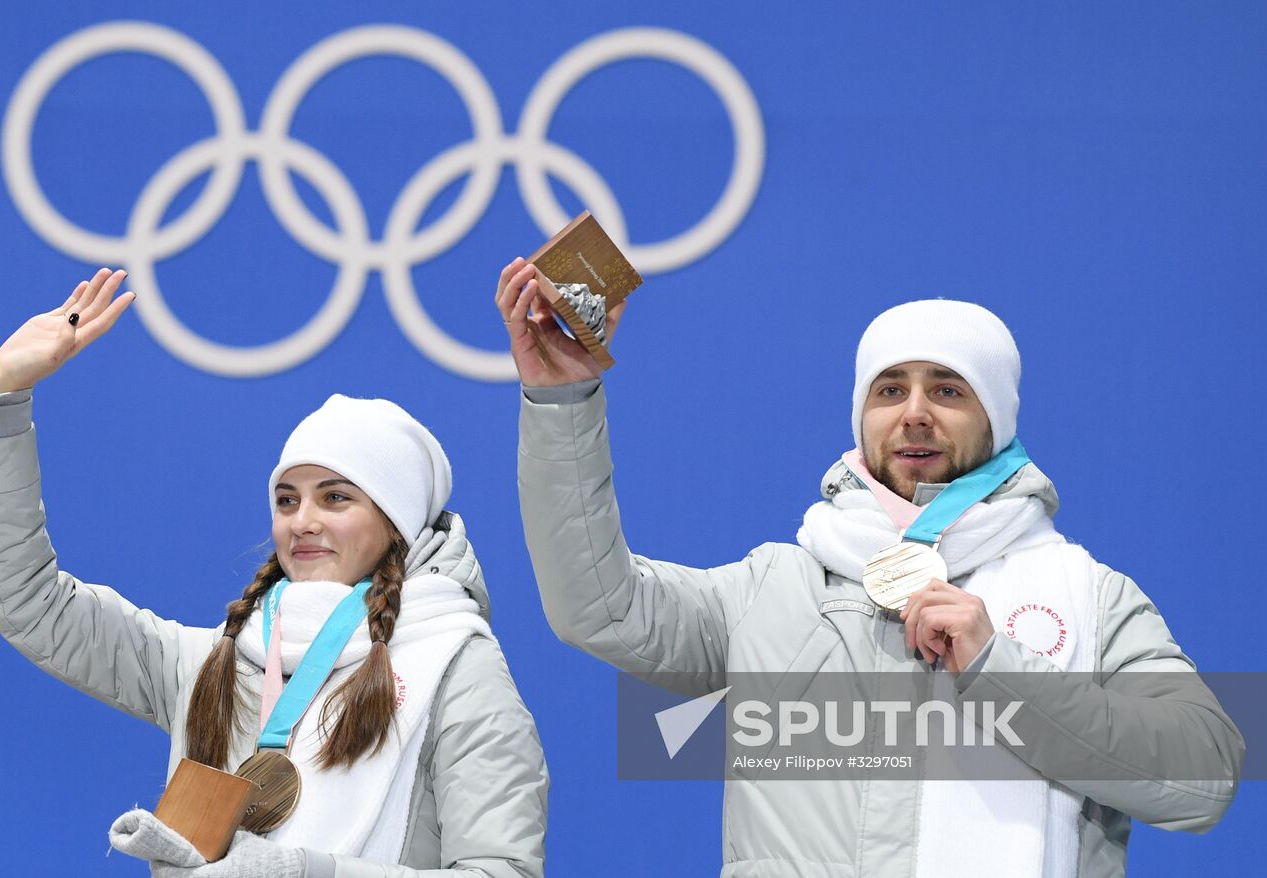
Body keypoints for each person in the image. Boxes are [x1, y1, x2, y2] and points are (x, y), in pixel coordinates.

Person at [494, 257, 1243, 878]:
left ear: (998, 419)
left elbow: (1203, 778)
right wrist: (564, 400)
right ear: (862, 415)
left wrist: (1001, 671)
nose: (914, 412)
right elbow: (598, 606)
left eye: (947, 389)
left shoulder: (1091, 599)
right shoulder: (774, 588)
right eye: (890, 389)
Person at [0, 267, 548, 877]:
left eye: (337, 498)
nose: (303, 522)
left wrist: (294, 872)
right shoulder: (210, 664)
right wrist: (2, 402)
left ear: (396, 520)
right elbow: (25, 598)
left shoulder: (455, 666)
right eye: (287, 500)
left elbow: (502, 872)